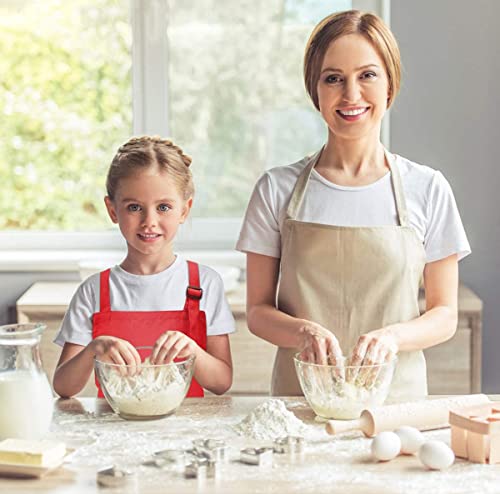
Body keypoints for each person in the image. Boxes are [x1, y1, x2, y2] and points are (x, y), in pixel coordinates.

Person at [236, 10, 470, 401]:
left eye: (367, 75)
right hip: (301, 403)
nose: (351, 95)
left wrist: (393, 338)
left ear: (390, 85)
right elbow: (258, 311)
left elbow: (444, 314)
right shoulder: (276, 189)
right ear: (316, 91)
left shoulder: (428, 188)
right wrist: (302, 332)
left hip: (396, 405)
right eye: (333, 79)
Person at [53, 136, 234, 398]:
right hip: (115, 428)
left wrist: (193, 351)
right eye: (134, 207)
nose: (149, 222)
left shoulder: (204, 284)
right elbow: (63, 387)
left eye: (164, 207)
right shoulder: (94, 291)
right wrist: (94, 349)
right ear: (112, 210)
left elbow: (222, 382)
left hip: (186, 429)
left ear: (185, 210)